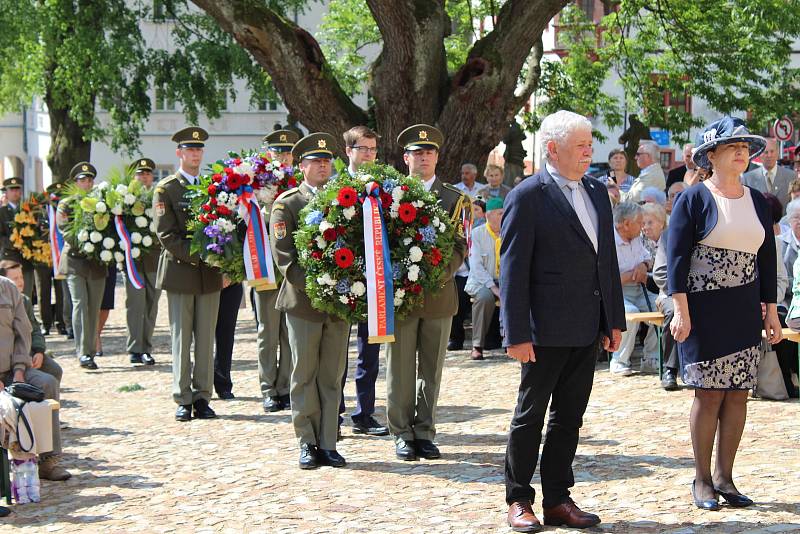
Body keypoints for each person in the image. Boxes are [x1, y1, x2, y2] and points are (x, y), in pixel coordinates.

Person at [502, 110, 624, 531]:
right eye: (580, 145)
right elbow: (513, 269)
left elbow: (604, 262)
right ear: (553, 149)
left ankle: (557, 498)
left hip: (586, 325)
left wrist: (614, 320)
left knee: (569, 417)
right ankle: (519, 499)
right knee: (530, 415)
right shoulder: (528, 195)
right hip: (543, 329)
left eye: (591, 143)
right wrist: (515, 333)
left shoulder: (595, 191)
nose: (590, 151)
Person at [667, 116, 781, 510]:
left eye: (745, 147)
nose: (741, 153)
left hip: (744, 308)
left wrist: (771, 311)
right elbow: (677, 258)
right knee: (709, 393)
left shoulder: (758, 201)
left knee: (738, 395)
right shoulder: (694, 198)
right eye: (733, 147)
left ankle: (725, 478)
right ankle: (701, 480)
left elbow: (767, 259)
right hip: (703, 309)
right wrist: (679, 308)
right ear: (711, 155)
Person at [385, 124, 468, 462]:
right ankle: (401, 433)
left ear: (437, 157)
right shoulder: (389, 196)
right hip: (400, 298)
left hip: (437, 295)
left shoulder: (454, 199)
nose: (423, 158)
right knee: (400, 369)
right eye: (417, 153)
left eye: (429, 152)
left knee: (431, 369)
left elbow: (460, 246)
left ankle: (425, 431)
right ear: (406, 158)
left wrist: (434, 276)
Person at [270, 132, 350, 469]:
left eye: (326, 161)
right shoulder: (287, 204)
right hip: (303, 301)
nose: (322, 166)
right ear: (301, 166)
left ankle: (328, 441)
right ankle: (306, 440)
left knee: (331, 375)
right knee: (303, 372)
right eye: (315, 161)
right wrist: (319, 288)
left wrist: (344, 288)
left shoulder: (344, 199)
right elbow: (284, 257)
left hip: (340, 302)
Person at [153, 127, 223, 422]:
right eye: (189, 150)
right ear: (179, 153)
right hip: (181, 273)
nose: (195, 154)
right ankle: (183, 397)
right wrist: (202, 255)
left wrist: (222, 260)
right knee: (182, 338)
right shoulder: (166, 189)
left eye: (199, 150)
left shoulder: (212, 187)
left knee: (206, 338)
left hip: (209, 276)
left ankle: (203, 396)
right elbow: (166, 234)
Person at [336, 125, 388, 436]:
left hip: (375, 277)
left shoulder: (384, 186)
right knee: (337, 351)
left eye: (372, 149)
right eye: (362, 149)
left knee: (370, 349)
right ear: (349, 151)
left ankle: (364, 412)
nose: (368, 154)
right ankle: (335, 412)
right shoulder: (335, 185)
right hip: (341, 279)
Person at [0, 262, 70, 481]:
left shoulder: (8, 289)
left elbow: (24, 333)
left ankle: (48, 461)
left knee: (47, 382)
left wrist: (20, 370)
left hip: (14, 370)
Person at [254, 129, 297, 411]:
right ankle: (269, 387)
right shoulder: (255, 188)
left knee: (290, 332)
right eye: (276, 152)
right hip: (267, 269)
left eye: (286, 152)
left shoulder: (299, 185)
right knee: (268, 331)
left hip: (292, 270)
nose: (281, 158)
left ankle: (286, 385)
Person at [56, 163, 108, 370]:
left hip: (96, 263)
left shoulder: (102, 202)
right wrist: (88, 244)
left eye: (89, 179)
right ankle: (83, 353)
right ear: (75, 182)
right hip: (76, 261)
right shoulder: (66, 204)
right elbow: (65, 230)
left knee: (93, 308)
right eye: (82, 179)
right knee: (80, 305)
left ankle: (91, 351)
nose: (87, 183)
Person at [609, 202, 659, 376]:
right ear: (626, 224)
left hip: (640, 290)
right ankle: (619, 360)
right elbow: (608, 280)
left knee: (663, 308)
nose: (643, 226)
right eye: (639, 222)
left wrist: (644, 265)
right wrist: (632, 274)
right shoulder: (608, 241)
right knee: (630, 313)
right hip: (617, 294)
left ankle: (651, 359)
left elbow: (648, 259)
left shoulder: (636, 238)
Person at [125, 159, 160, 366]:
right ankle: (134, 348)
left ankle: (146, 348)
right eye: (140, 173)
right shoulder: (126, 199)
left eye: (147, 173)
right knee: (135, 305)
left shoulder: (157, 196)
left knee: (151, 305)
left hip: (154, 258)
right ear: (134, 177)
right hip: (133, 260)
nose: (145, 177)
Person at [465, 197, 503, 361]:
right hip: (481, 282)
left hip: (503, 281)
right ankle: (477, 345)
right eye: (500, 213)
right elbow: (476, 266)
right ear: (489, 215)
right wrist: (494, 288)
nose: (504, 216)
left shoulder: (509, 231)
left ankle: (516, 341)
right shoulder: (477, 234)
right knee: (485, 297)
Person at [0, 176, 35, 299]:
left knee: (26, 296)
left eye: (17, 189)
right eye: (12, 190)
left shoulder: (28, 210)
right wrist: (15, 244)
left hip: (27, 259)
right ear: (7, 192)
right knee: (9, 295)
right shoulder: (2, 212)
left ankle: (26, 318)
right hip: (10, 259)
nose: (15, 193)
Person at [741, 137, 794, 208]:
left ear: (777, 152)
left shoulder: (791, 177)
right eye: (766, 152)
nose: (769, 155)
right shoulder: (747, 179)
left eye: (772, 151)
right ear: (759, 154)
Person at [213, 279, 243, 399]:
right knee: (203, 337)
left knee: (226, 334)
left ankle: (223, 383)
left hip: (233, 283)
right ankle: (200, 385)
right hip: (204, 282)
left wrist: (231, 276)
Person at [95, 264, 117, 357]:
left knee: (106, 302)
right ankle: (93, 338)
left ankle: (96, 333)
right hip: (85, 262)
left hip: (108, 261)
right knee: (89, 303)